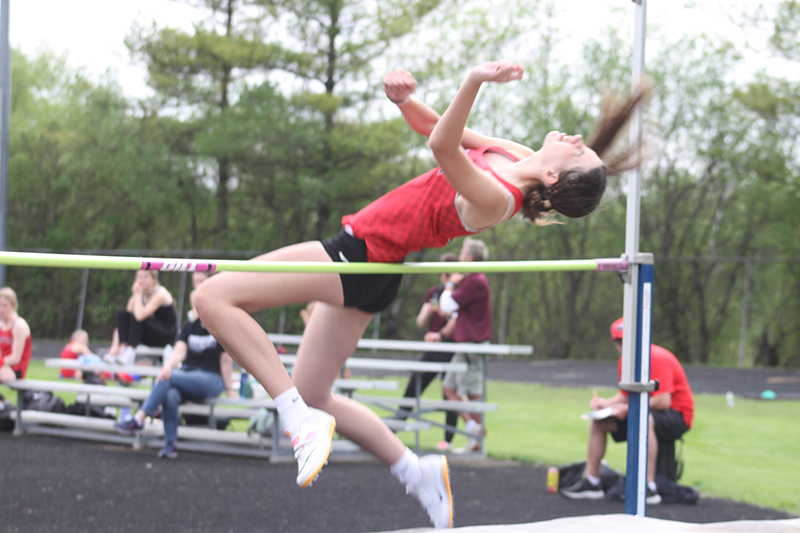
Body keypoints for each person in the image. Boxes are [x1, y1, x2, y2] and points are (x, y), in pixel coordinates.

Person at [195, 60, 650, 529]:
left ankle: (293, 418)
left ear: (553, 178)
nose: (576, 141)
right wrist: (403, 100)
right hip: (376, 264)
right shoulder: (516, 157)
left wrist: (475, 79)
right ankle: (416, 470)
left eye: (578, 154)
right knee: (314, 393)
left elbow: (442, 146)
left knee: (212, 299)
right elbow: (433, 125)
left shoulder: (496, 199)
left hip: (359, 255)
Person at [560, 318, 694, 505]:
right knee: (599, 421)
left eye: (627, 341)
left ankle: (648, 487)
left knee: (643, 419)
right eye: (619, 342)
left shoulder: (657, 357)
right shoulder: (625, 362)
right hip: (645, 410)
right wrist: (605, 404)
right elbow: (625, 395)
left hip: (678, 414)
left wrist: (627, 409)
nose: (624, 346)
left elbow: (664, 401)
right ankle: (591, 481)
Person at [114, 294, 235, 459]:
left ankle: (140, 417)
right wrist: (168, 366)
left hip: (211, 379)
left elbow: (225, 360)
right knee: (170, 394)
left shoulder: (218, 327)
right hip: (188, 375)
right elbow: (179, 351)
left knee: (169, 377)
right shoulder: (189, 327)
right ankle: (170, 444)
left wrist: (229, 388)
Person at [394, 252, 459, 448]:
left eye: (447, 273)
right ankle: (394, 429)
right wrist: (427, 312)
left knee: (449, 393)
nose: (443, 277)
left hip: (451, 349)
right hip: (432, 349)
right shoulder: (434, 292)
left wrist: (445, 314)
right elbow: (421, 322)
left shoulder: (459, 294)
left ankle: (448, 440)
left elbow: (458, 321)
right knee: (414, 386)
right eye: (442, 273)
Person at [438, 238, 493, 453]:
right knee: (448, 387)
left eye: (462, 254)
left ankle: (477, 439)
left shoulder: (475, 280)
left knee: (472, 391)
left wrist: (450, 283)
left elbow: (446, 304)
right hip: (465, 345)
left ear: (469, 258)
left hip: (472, 346)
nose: (459, 258)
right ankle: (474, 428)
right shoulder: (472, 280)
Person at [107, 271, 178, 365]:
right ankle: (123, 350)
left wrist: (137, 295)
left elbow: (139, 316)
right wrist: (115, 345)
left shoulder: (161, 293)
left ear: (154, 280)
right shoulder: (139, 295)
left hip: (166, 336)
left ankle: (130, 353)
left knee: (138, 316)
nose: (141, 280)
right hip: (149, 334)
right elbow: (125, 321)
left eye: (145, 277)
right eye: (139, 277)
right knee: (122, 313)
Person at [0, 287, 32, 382]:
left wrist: (1, 361)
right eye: (0, 305)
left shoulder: (19, 325)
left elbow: (16, 358)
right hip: (3, 366)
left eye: (5, 306)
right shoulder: (1, 325)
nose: (1, 309)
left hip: (16, 370)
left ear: (13, 306)